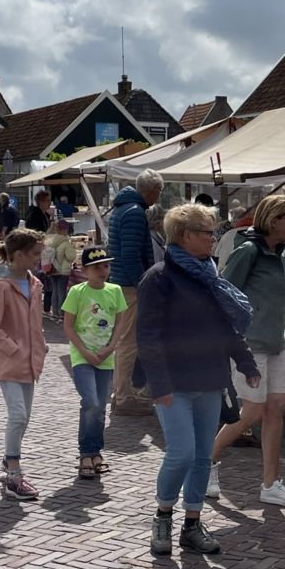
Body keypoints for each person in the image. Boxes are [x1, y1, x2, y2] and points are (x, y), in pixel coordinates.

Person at [138, 203, 260, 556]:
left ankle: (192, 523)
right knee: (181, 452)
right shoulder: (158, 278)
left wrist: (246, 363)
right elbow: (147, 336)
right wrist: (158, 385)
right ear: (186, 235)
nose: (213, 238)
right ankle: (163, 515)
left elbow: (227, 327)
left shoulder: (211, 276)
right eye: (208, 232)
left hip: (210, 378)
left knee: (203, 456)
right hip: (174, 381)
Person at [208, 195, 285, 507]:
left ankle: (271, 483)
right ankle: (206, 462)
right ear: (273, 219)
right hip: (250, 343)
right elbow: (222, 292)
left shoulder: (284, 253)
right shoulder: (247, 251)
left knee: (276, 408)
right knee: (252, 411)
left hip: (278, 342)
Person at [0, 228, 48, 501]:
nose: (38, 259)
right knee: (18, 415)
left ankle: (10, 462)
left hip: (29, 362)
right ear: (18, 255)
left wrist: (39, 344)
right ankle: (14, 473)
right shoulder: (2, 286)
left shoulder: (34, 283)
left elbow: (35, 323)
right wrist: (14, 348)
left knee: (24, 418)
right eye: (34, 254)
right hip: (11, 363)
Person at [62, 245, 127, 480]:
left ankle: (96, 451)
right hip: (82, 357)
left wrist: (111, 347)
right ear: (85, 269)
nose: (103, 270)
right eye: (97, 267)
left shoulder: (116, 290)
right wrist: (84, 352)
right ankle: (85, 453)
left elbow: (120, 323)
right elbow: (68, 326)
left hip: (106, 357)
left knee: (100, 407)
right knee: (90, 401)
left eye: (106, 266)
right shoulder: (77, 292)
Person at [110, 168, 163, 414]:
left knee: (124, 340)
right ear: (152, 190)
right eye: (159, 191)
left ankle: (121, 393)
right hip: (130, 285)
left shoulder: (123, 208)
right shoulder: (135, 213)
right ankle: (123, 397)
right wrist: (142, 283)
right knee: (129, 341)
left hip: (121, 282)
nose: (158, 196)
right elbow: (131, 254)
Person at [43, 220, 75, 321]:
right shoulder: (65, 242)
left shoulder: (49, 240)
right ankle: (61, 314)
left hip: (51, 269)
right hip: (63, 270)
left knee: (54, 291)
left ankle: (54, 312)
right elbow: (71, 257)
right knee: (62, 292)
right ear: (65, 229)